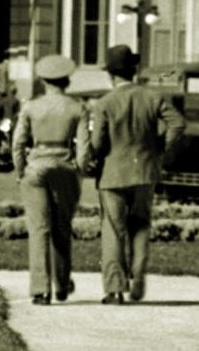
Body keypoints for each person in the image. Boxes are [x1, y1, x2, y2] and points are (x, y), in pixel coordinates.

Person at [78, 44, 184, 304]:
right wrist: (160, 145)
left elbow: (99, 142)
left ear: (111, 75)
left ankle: (114, 288)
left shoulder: (104, 103)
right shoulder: (153, 97)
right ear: (134, 70)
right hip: (145, 170)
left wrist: (93, 156)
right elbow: (178, 123)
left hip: (112, 174)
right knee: (140, 226)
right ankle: (138, 277)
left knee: (113, 229)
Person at [14, 53, 85, 306]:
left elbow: (19, 143)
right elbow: (84, 148)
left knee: (38, 229)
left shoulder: (30, 107)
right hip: (64, 165)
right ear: (67, 81)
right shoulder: (77, 107)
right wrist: (80, 170)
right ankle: (62, 284)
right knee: (62, 227)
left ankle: (40, 289)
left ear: (43, 81)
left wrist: (21, 170)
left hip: (36, 166)